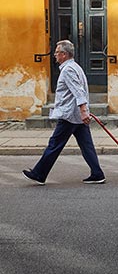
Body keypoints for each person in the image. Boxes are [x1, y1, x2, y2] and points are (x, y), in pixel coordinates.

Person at [22, 40, 106, 185]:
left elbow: (78, 91)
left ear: (64, 54)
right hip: (76, 115)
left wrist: (84, 110)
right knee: (86, 145)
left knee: (54, 144)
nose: (54, 55)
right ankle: (97, 173)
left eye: (57, 52)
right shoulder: (75, 67)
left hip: (70, 115)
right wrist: (83, 112)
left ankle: (39, 173)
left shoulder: (68, 70)